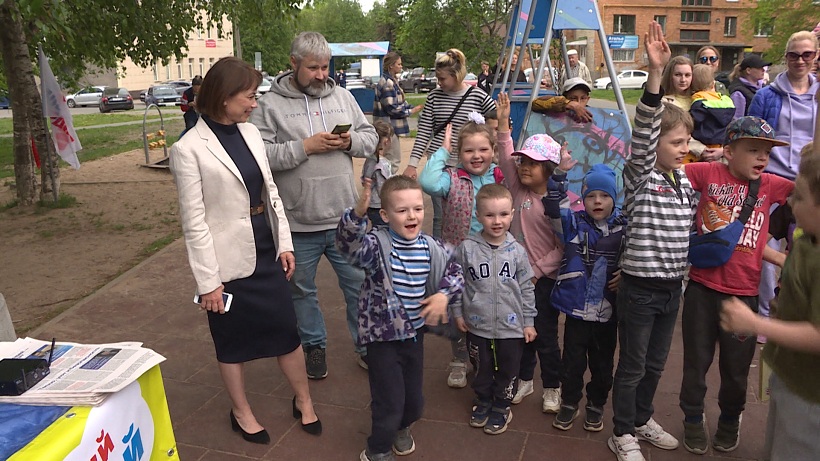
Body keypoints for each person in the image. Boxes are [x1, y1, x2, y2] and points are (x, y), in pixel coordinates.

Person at [169, 57, 321, 445]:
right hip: (226, 262)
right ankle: (241, 411)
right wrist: (209, 283)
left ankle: (303, 400)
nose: (255, 104)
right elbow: (194, 222)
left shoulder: (251, 134)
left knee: (287, 331)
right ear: (225, 97)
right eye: (250, 96)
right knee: (232, 341)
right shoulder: (188, 149)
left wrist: (284, 242)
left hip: (266, 247)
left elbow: (271, 192)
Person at [249, 31, 379, 380]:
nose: (322, 75)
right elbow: (259, 154)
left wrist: (349, 140)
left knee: (359, 285)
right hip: (297, 222)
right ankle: (314, 346)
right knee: (301, 291)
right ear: (293, 64)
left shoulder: (343, 97)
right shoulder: (269, 105)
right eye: (313, 68)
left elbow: (371, 138)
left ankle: (367, 346)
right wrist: (304, 147)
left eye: (325, 67)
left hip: (344, 220)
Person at [679, 116, 794, 454]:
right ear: (729, 150)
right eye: (753, 149)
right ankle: (691, 417)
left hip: (744, 294)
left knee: (736, 369)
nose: (762, 158)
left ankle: (730, 418)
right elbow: (666, 173)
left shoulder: (771, 185)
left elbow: (808, 191)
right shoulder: (707, 173)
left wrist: (790, 258)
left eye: (767, 153)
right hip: (702, 287)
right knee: (695, 363)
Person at [608, 22, 696, 461]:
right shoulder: (640, 175)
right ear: (655, 145)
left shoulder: (684, 182)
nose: (685, 149)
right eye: (677, 142)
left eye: (687, 142)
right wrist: (656, 75)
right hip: (640, 288)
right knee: (633, 365)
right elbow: (644, 128)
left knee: (656, 364)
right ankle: (622, 431)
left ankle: (642, 418)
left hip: (671, 289)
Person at [335, 175, 464, 461]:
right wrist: (356, 215)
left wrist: (444, 294)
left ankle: (403, 426)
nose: (412, 216)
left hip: (414, 335)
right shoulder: (375, 246)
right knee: (389, 400)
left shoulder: (432, 247)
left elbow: (456, 271)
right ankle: (377, 449)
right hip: (382, 338)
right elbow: (348, 246)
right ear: (385, 214)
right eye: (402, 210)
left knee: (414, 401)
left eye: (417, 209)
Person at [719, 153, 820, 461]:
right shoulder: (807, 240)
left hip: (811, 396)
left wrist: (756, 324)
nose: (790, 204)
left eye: (799, 197)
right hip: (789, 377)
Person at [418, 114, 503, 388]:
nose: (476, 156)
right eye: (468, 150)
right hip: (458, 259)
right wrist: (443, 151)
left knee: (488, 308)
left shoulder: (499, 176)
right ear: (459, 153)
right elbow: (428, 182)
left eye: (483, 149)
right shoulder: (452, 179)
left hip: (492, 257)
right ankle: (458, 359)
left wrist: (502, 134)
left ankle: (487, 358)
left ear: (493, 150)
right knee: (459, 310)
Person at [544, 157, 627, 433]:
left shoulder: (625, 228)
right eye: (591, 195)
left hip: (608, 312)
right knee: (572, 361)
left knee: (603, 365)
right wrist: (558, 175)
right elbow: (553, 207)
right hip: (577, 310)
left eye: (605, 195)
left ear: (615, 198)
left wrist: (624, 274)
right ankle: (569, 402)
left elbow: (637, 257)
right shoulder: (574, 224)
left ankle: (596, 404)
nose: (597, 201)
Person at [494, 93, 564, 413]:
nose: (524, 167)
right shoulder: (517, 188)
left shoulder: (556, 204)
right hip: (515, 276)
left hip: (542, 281)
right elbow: (506, 156)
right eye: (524, 161)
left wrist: (535, 273)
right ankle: (524, 379)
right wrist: (504, 124)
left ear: (549, 168)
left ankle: (552, 385)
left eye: (533, 163)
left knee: (545, 336)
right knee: (520, 333)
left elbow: (562, 248)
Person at [749, 30, 819, 341]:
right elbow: (751, 135)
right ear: (786, 57)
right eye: (794, 55)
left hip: (810, 182)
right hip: (775, 180)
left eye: (807, 54)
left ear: (815, 56)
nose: (800, 60)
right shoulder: (767, 95)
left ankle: (799, 316)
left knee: (807, 248)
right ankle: (765, 316)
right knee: (765, 246)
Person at [454, 183, 537, 435]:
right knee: (481, 365)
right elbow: (456, 283)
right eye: (489, 215)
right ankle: (483, 399)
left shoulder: (518, 252)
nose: (497, 221)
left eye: (503, 214)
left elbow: (526, 287)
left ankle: (502, 404)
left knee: (509, 367)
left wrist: (528, 321)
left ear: (512, 214)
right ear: (478, 216)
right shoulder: (467, 248)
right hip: (476, 323)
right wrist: (458, 312)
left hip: (511, 326)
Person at [373, 52, 423, 175]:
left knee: (387, 157)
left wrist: (410, 106)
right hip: (388, 128)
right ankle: (385, 186)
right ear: (391, 66)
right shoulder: (387, 84)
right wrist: (410, 111)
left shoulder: (391, 81)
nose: (401, 66)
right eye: (399, 64)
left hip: (389, 127)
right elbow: (391, 108)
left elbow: (399, 102)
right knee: (392, 159)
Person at [689, 64, 735, 153]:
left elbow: (694, 121)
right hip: (721, 143)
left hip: (704, 142)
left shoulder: (699, 100)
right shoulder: (725, 100)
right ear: (713, 83)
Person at [362, 121, 395, 227]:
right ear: (387, 141)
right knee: (384, 232)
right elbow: (383, 188)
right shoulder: (381, 163)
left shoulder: (370, 160)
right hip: (379, 206)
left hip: (371, 204)